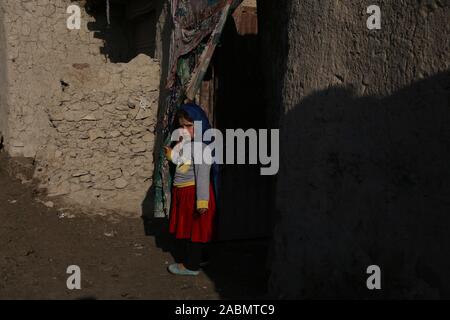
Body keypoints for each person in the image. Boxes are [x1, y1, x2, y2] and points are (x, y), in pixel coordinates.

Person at [163, 103, 217, 276]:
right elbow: (184, 164)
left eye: (189, 126)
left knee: (195, 230)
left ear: (199, 125)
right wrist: (173, 156)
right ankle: (201, 258)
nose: (184, 130)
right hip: (184, 193)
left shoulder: (201, 148)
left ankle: (191, 267)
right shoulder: (188, 144)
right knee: (192, 229)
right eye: (181, 126)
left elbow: (202, 176)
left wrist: (202, 201)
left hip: (194, 194)